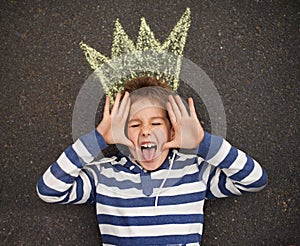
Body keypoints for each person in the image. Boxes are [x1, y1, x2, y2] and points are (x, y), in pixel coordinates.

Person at [37, 76, 268, 245]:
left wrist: (201, 142)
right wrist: (98, 139)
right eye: (135, 125)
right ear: (122, 134)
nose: (146, 131)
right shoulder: (103, 175)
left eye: (156, 123)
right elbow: (49, 190)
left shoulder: (195, 171)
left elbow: (254, 180)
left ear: (171, 131)